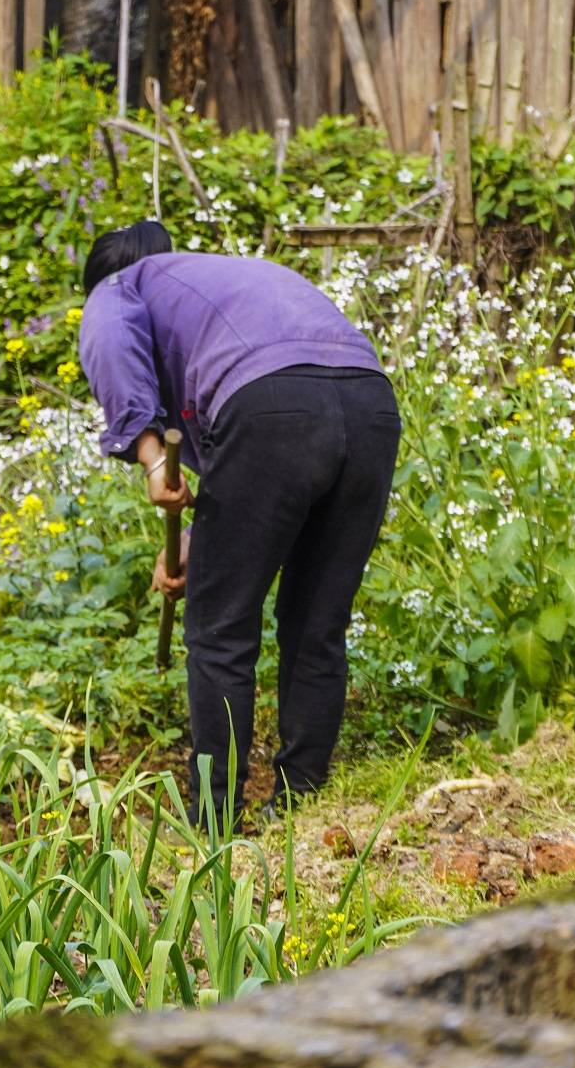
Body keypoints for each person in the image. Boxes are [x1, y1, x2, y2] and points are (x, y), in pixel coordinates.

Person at [77, 220, 399, 829]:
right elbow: (254, 466)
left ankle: (213, 822)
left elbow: (113, 339)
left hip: (272, 407)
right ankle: (301, 802)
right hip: (370, 406)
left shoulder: (119, 287)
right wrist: (195, 545)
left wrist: (149, 460)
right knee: (316, 624)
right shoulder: (224, 283)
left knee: (219, 630)